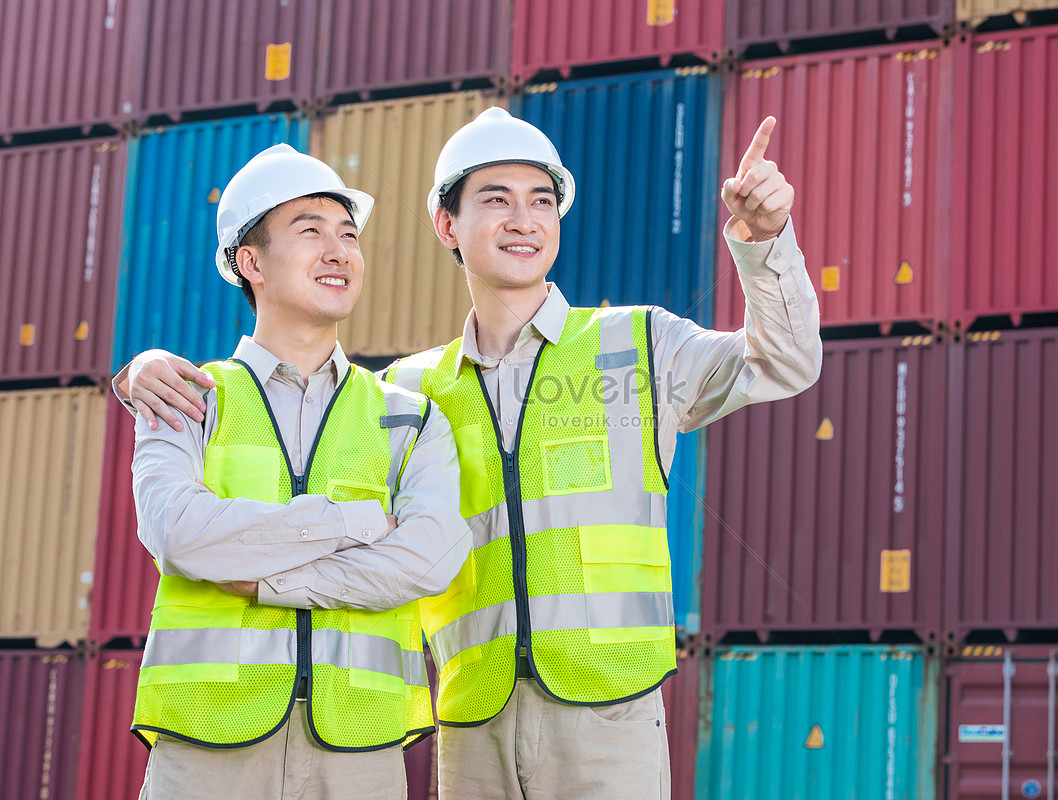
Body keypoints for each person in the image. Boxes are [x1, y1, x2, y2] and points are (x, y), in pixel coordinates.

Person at [122, 109, 821, 799]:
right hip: (471, 715)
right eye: (497, 199)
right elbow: (275, 417)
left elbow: (786, 362)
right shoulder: (409, 390)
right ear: (447, 225)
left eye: (541, 201)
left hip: (609, 707)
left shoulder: (637, 346)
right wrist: (135, 372)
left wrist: (766, 242)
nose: (524, 219)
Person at [126, 144, 469, 800]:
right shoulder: (189, 394)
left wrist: (266, 581)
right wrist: (355, 521)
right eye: (311, 231)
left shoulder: (410, 416)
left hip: (359, 745)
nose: (339, 251)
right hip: (206, 741)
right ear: (249, 261)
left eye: (349, 235)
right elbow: (177, 532)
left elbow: (428, 562)